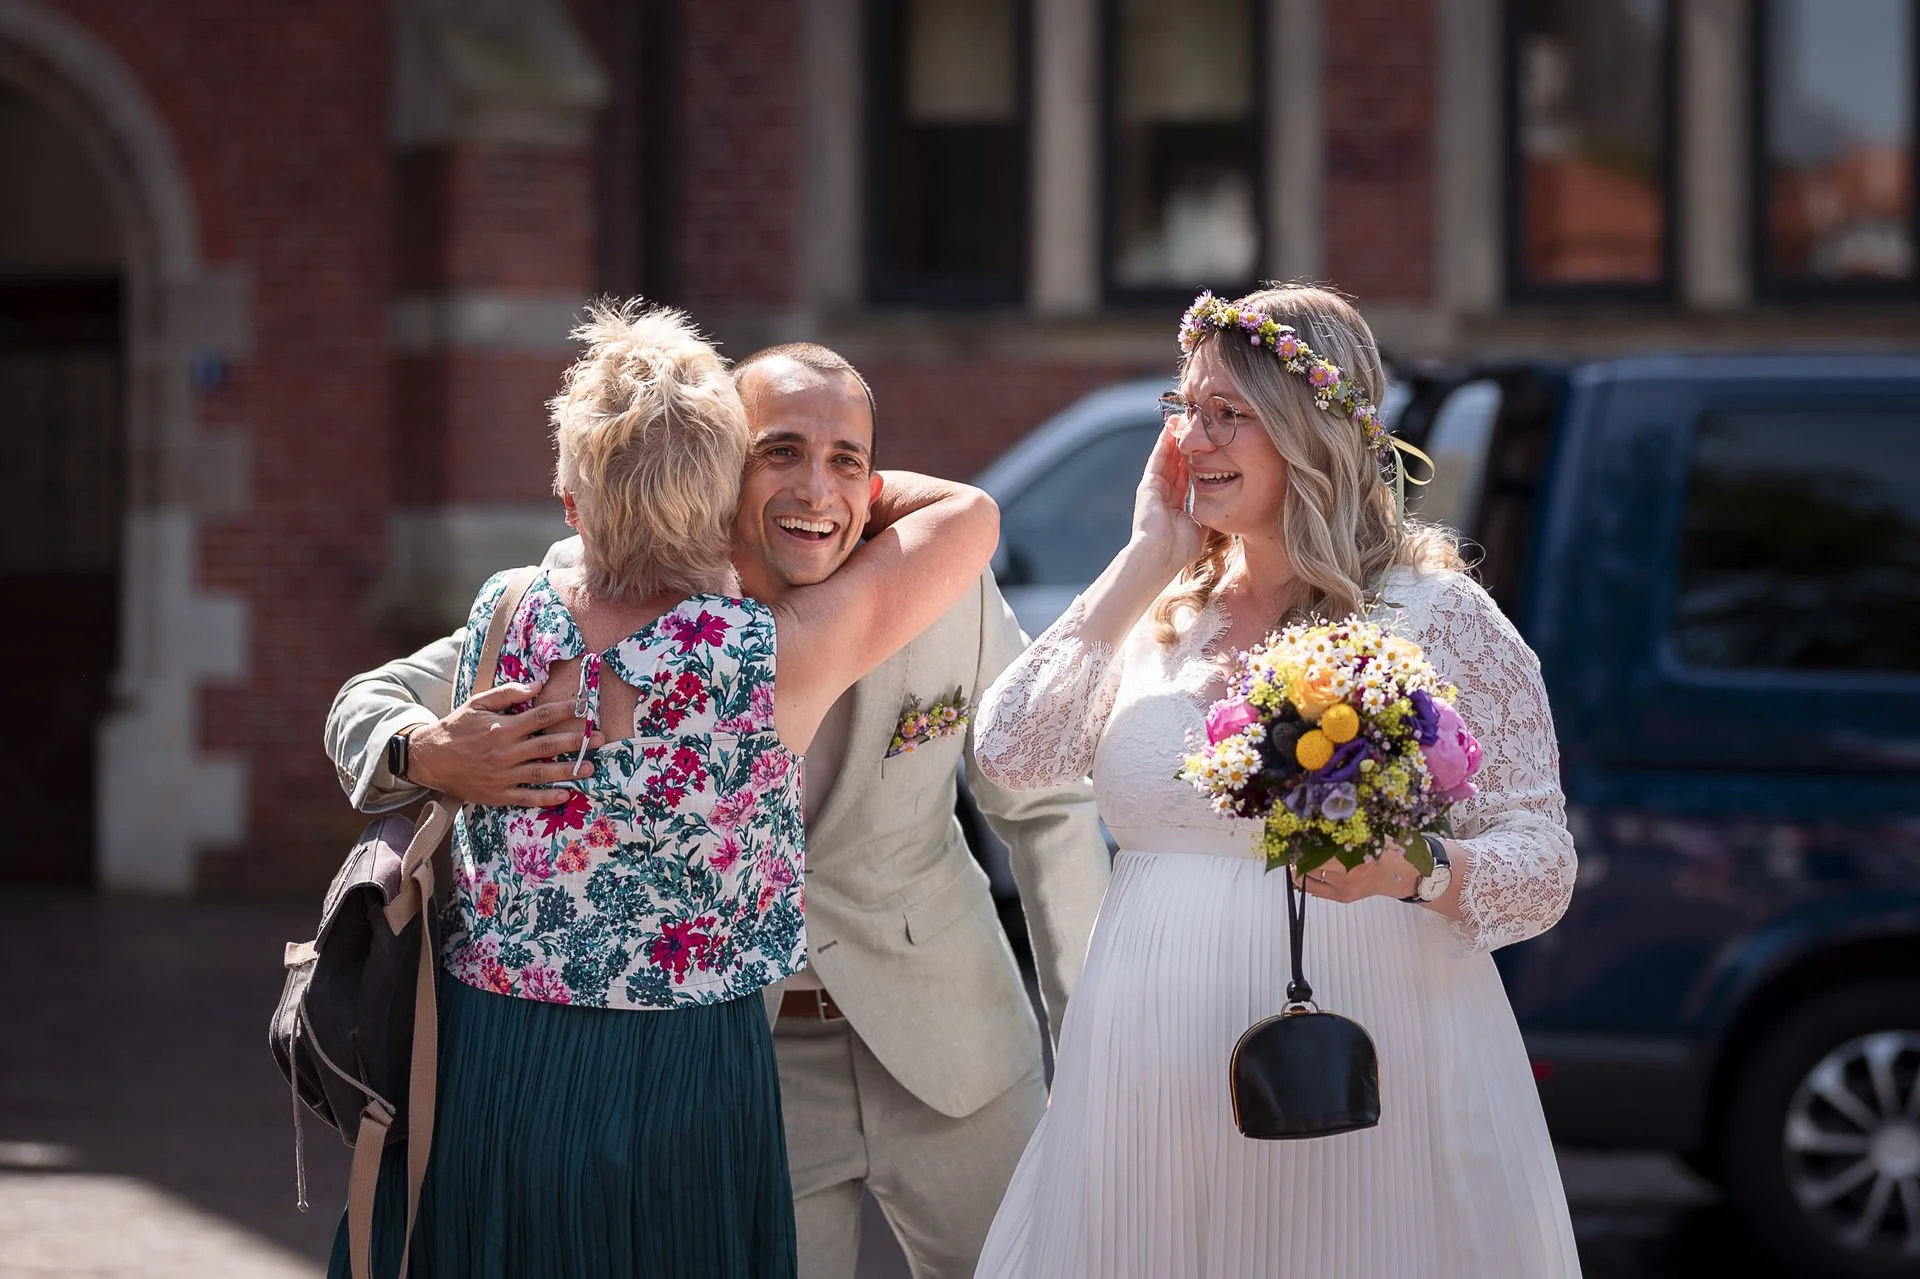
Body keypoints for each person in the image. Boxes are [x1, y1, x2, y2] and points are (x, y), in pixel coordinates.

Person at [325, 343, 1111, 1278]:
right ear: (715, 470)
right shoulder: (592, 592)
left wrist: (1091, 1046)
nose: (815, 489)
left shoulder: (938, 590)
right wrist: (427, 749)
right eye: (776, 451)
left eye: (847, 459)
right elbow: (367, 699)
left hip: (956, 1044)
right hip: (747, 1068)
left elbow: (1044, 808)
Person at [970, 284, 1581, 1278]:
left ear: (1308, 432)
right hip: (1145, 1071)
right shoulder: (1161, 609)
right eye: (1185, 408)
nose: (1190, 440)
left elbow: (1544, 864)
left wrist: (1413, 869)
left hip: (1368, 1066)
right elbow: (1011, 755)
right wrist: (1142, 559)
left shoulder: (1437, 614)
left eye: (1226, 413)